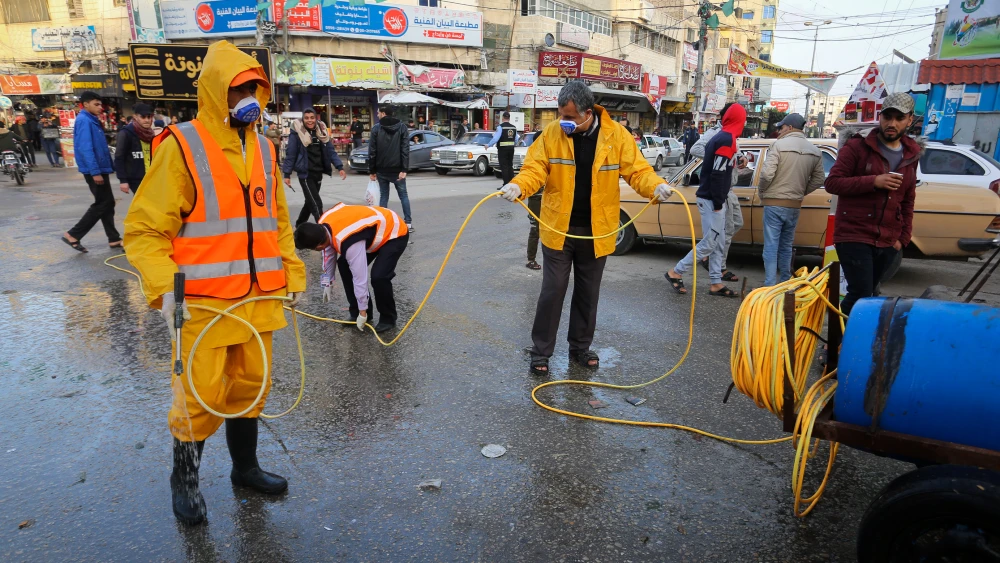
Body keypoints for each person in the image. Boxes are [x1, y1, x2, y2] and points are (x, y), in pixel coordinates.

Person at [123, 41, 306, 526]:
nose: (248, 97)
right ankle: (184, 482)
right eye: (238, 89)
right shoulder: (184, 146)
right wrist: (165, 290)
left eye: (254, 88)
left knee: (251, 387)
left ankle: (245, 469)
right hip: (203, 304)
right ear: (214, 93)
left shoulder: (265, 148)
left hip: (258, 298)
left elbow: (277, 221)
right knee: (198, 397)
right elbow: (143, 229)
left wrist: (292, 272)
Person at [498, 81, 673, 376]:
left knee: (588, 293)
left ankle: (580, 348)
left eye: (569, 117)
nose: (563, 122)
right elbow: (535, 168)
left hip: (597, 230)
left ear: (588, 113)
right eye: (560, 115)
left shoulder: (617, 135)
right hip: (558, 228)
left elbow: (637, 170)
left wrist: (656, 186)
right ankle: (541, 351)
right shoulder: (552, 133)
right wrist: (519, 185)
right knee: (552, 291)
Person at [825, 93, 919, 316]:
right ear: (880, 117)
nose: (892, 123)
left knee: (871, 296)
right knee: (860, 294)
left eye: (899, 118)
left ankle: (859, 343)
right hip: (854, 234)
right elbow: (833, 183)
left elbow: (908, 199)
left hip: (888, 239)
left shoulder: (911, 154)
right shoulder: (857, 146)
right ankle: (840, 345)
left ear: (910, 120)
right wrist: (874, 181)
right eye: (887, 117)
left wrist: (902, 238)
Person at [665, 104, 748, 297]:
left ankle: (716, 283)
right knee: (710, 242)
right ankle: (676, 271)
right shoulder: (726, 139)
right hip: (712, 198)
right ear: (739, 120)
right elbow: (718, 174)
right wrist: (719, 203)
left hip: (714, 197)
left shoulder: (725, 137)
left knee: (717, 242)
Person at [294, 203, 409, 333]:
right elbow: (328, 258)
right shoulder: (321, 227)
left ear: (318, 246)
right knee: (344, 265)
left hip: (393, 231)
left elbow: (360, 277)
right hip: (371, 231)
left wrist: (363, 311)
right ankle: (355, 311)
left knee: (379, 276)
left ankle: (388, 318)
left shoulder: (349, 241)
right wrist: (327, 283)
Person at [756, 113, 826, 286]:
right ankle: (785, 282)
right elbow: (818, 180)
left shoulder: (778, 146)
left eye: (781, 127)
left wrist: (763, 192)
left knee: (771, 245)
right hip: (794, 205)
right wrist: (800, 192)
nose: (779, 131)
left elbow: (766, 174)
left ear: (790, 127)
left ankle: (770, 285)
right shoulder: (815, 150)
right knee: (786, 245)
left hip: (773, 203)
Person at [689, 103, 749, 283]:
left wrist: (740, 157)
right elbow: (695, 149)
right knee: (724, 231)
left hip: (729, 188)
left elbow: (733, 153)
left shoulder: (731, 134)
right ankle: (719, 268)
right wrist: (715, 155)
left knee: (735, 224)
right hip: (719, 189)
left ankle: (711, 260)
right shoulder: (716, 133)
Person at [62, 92, 120, 253]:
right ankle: (73, 234)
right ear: (85, 104)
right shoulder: (84, 121)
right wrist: (95, 172)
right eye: (96, 104)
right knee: (103, 203)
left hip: (100, 169)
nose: (100, 107)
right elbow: (86, 148)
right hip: (94, 170)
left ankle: (114, 238)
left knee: (107, 204)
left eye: (100, 104)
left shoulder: (91, 120)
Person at [281, 107, 347, 227]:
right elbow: (291, 153)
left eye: (312, 118)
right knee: (316, 203)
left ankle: (300, 224)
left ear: (316, 118)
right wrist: (287, 174)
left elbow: (330, 151)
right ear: (303, 119)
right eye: (306, 118)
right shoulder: (297, 133)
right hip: (305, 174)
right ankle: (324, 231)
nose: (309, 120)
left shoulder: (321, 131)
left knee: (309, 201)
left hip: (318, 172)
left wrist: (339, 166)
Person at [368, 105, 413, 231]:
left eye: (378, 113)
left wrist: (372, 170)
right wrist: (404, 169)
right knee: (403, 195)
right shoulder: (402, 127)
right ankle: (408, 223)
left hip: (381, 169)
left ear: (383, 113)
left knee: (384, 196)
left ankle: (383, 222)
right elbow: (405, 149)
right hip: (398, 169)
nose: (377, 115)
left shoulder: (376, 128)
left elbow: (372, 151)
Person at [114, 103, 155, 196]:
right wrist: (123, 180)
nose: (147, 120)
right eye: (143, 117)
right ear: (135, 117)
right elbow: (119, 157)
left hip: (152, 176)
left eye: (149, 117)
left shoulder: (151, 134)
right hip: (136, 178)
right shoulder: (126, 133)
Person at [487, 111, 519, 187]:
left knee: (504, 166)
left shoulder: (500, 127)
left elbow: (495, 139)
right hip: (511, 149)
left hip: (502, 149)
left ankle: (506, 184)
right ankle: (512, 183)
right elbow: (516, 139)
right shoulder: (513, 127)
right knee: (510, 165)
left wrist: (488, 145)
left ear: (503, 118)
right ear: (509, 118)